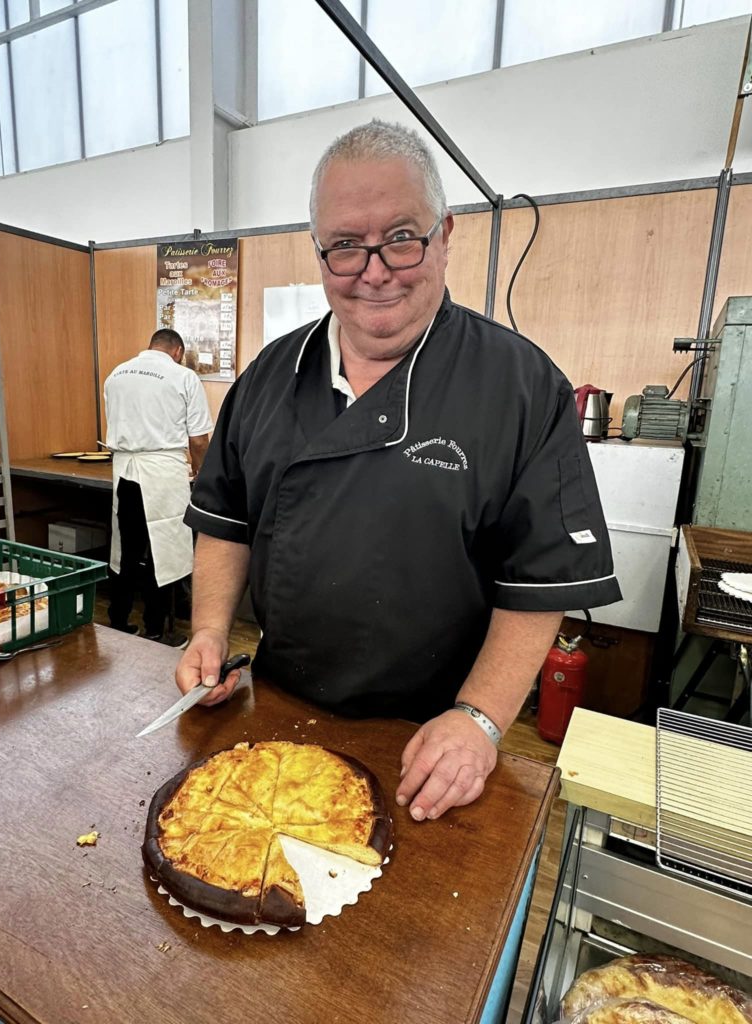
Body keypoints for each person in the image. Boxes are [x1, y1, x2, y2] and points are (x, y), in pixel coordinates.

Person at [177, 119, 621, 819]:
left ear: (446, 236)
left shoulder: (521, 385)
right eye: (346, 247)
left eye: (402, 237)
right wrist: (208, 631)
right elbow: (225, 520)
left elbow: (541, 580)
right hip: (279, 707)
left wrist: (480, 718)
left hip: (435, 737)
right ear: (320, 253)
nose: (374, 270)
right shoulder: (269, 376)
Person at [104, 328, 213, 646]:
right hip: (163, 472)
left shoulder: (116, 374)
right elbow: (199, 439)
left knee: (127, 550)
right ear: (178, 351)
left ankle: (119, 621)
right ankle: (156, 629)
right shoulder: (183, 377)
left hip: (124, 471)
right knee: (162, 553)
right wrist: (200, 471)